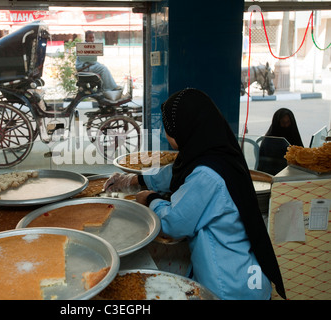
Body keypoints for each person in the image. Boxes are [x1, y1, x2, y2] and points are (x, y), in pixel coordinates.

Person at [104, 88, 286, 300]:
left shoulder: (206, 175)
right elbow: (172, 173)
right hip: (246, 273)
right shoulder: (219, 153)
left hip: (229, 285)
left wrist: (150, 199)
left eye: (168, 128)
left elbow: (174, 223)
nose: (165, 133)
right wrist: (133, 180)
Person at [257, 108, 303, 175]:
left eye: (288, 122)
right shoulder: (269, 141)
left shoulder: (293, 135)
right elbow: (268, 167)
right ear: (277, 123)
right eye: (283, 122)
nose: (286, 125)